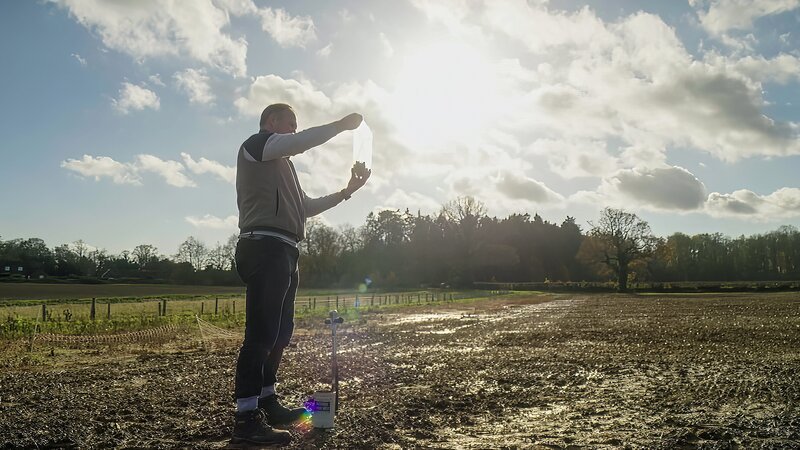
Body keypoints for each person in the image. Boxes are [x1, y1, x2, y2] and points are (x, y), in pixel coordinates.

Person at [231, 103, 370, 445]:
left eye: (296, 123)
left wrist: (348, 190)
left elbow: (305, 207)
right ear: (270, 121)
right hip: (263, 246)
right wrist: (340, 126)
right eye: (288, 121)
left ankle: (267, 401)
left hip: (287, 251)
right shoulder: (255, 146)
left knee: (281, 332)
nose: (294, 127)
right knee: (261, 333)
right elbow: (299, 143)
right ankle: (246, 419)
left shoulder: (286, 168)